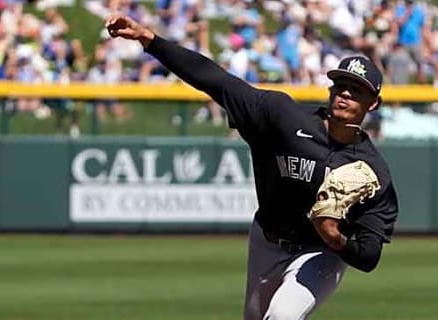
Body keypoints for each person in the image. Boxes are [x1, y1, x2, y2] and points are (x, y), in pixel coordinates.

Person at [106, 15, 399, 320]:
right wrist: (149, 40)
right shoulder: (282, 118)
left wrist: (334, 237)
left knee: (282, 317)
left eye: (357, 89)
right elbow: (215, 79)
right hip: (266, 240)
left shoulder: (372, 171)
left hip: (321, 254)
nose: (346, 93)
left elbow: (368, 256)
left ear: (373, 104)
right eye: (341, 84)